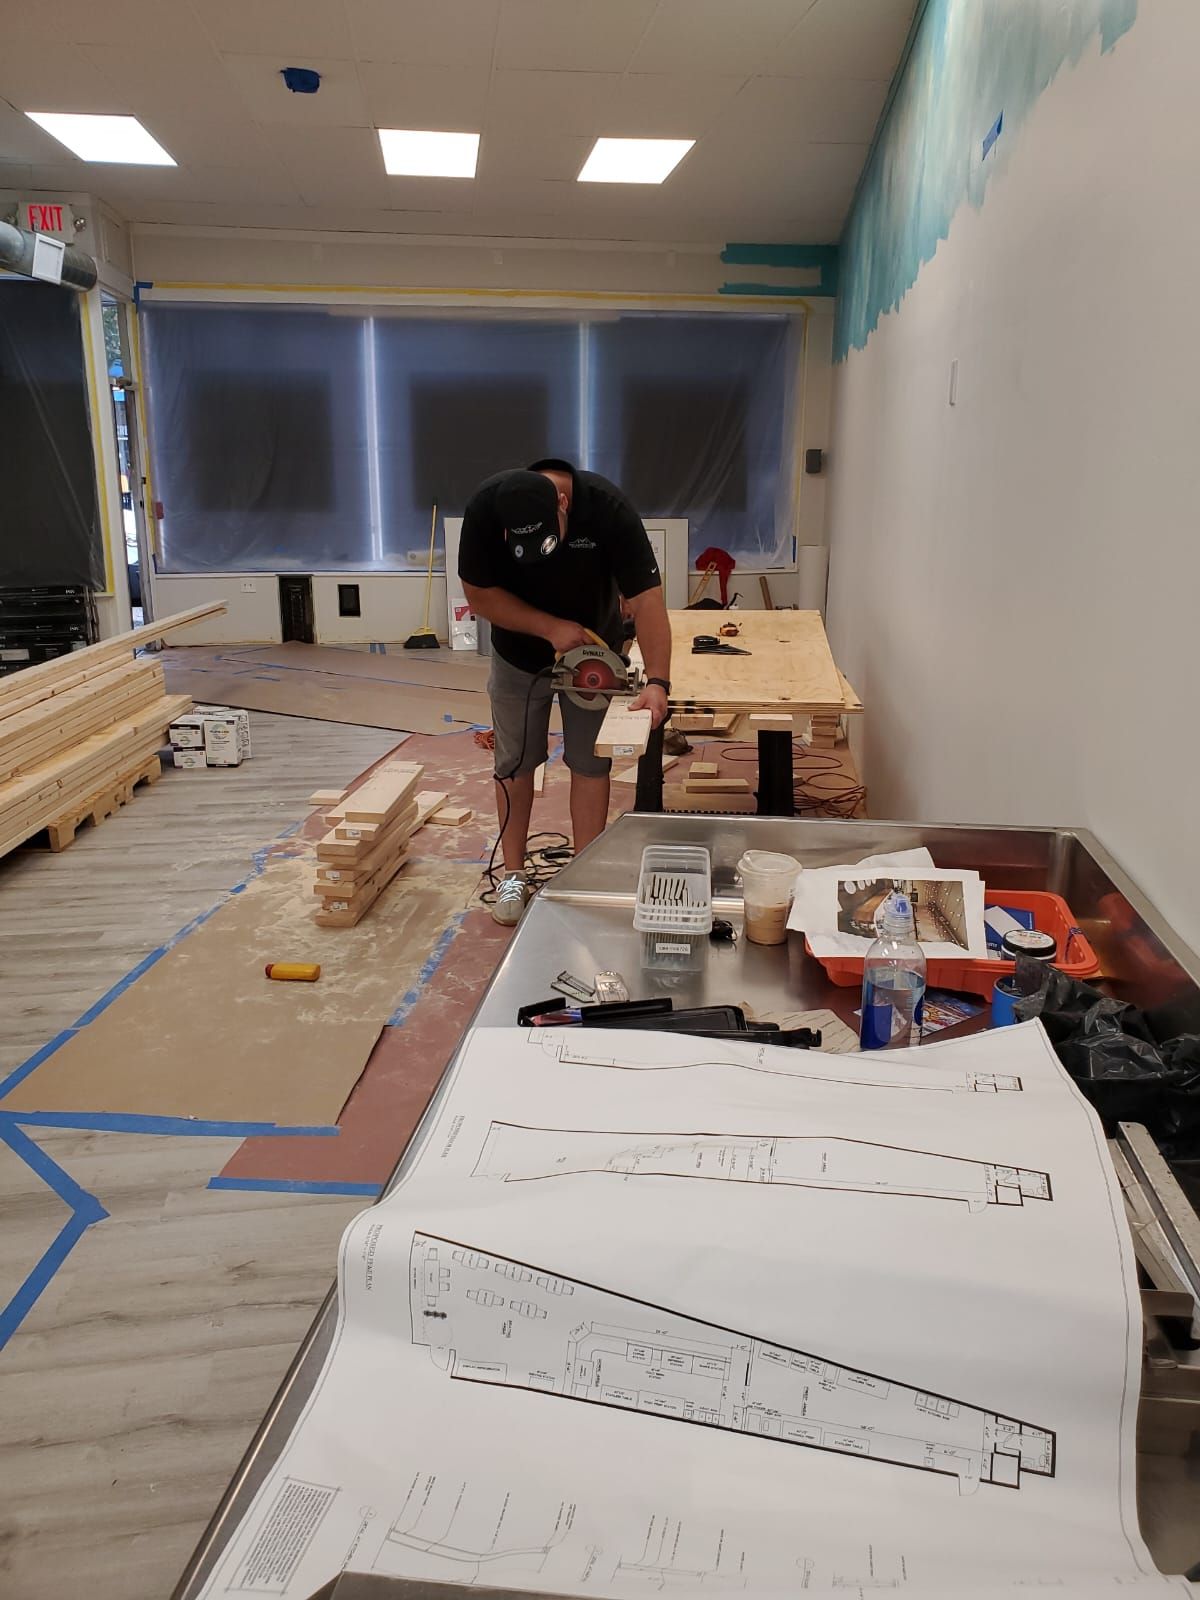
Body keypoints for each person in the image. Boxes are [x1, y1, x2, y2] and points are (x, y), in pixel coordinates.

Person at [459, 458, 672, 926]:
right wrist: (549, 627)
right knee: (514, 763)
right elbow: (479, 596)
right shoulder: (486, 509)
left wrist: (657, 681)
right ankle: (514, 874)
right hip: (518, 652)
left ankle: (583, 872)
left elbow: (647, 599)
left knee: (590, 760)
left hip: (593, 654)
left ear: (562, 502)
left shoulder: (609, 510)